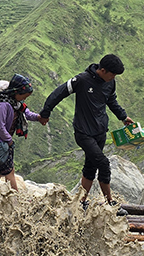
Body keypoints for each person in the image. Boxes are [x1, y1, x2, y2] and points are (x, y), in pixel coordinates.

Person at [38, 54, 134, 208]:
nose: (114, 77)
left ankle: (81, 202)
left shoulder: (110, 83)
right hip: (83, 132)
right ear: (102, 70)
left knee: (90, 167)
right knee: (103, 164)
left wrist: (123, 117)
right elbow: (58, 93)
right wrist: (45, 113)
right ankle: (110, 202)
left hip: (100, 131)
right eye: (112, 74)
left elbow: (111, 100)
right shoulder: (82, 80)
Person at [0, 74, 44, 190]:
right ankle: (14, 198)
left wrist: (38, 117)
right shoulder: (3, 105)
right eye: (23, 96)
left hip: (2, 141)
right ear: (16, 92)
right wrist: (9, 141)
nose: (24, 99)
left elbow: (27, 113)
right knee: (8, 171)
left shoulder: (16, 102)